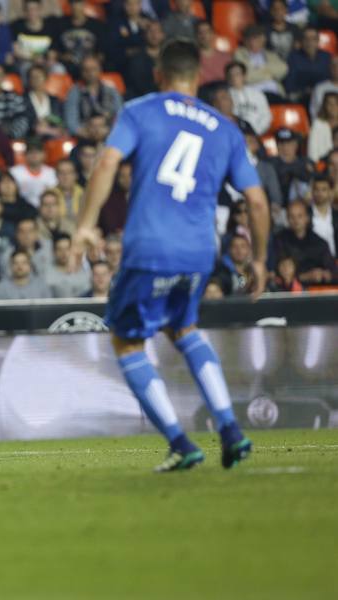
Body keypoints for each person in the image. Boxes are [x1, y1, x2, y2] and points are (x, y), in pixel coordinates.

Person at [71, 39, 270, 472]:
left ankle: (180, 443)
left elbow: (106, 164)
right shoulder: (226, 128)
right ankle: (231, 429)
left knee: (127, 341)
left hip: (150, 247)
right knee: (184, 328)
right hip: (200, 252)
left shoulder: (141, 110)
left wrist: (85, 224)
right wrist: (258, 259)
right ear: (198, 77)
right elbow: (256, 201)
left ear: (159, 74)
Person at [273, 200, 335, 286]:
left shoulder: (319, 243)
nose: (296, 220)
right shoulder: (279, 241)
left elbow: (332, 270)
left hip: (317, 292)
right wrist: (304, 277)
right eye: (292, 217)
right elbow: (277, 272)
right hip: (288, 293)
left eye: (300, 216)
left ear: (307, 218)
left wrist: (325, 274)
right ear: (287, 219)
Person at [10, 141, 57, 208]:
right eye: (31, 152)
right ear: (25, 155)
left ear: (44, 154)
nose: (34, 155)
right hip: (20, 210)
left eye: (37, 152)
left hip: (46, 210)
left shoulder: (52, 173)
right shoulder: (14, 172)